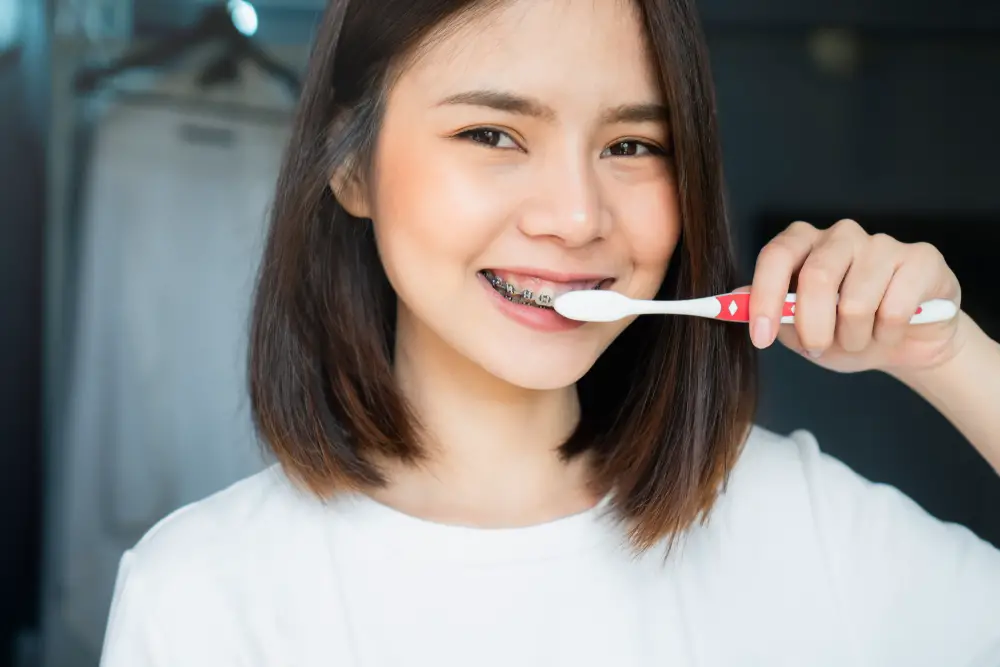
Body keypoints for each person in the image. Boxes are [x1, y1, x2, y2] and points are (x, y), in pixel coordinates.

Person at [99, 0, 1000, 665]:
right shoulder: (199, 594)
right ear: (349, 166)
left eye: (633, 147)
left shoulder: (801, 524)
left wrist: (953, 354)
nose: (575, 217)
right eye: (492, 133)